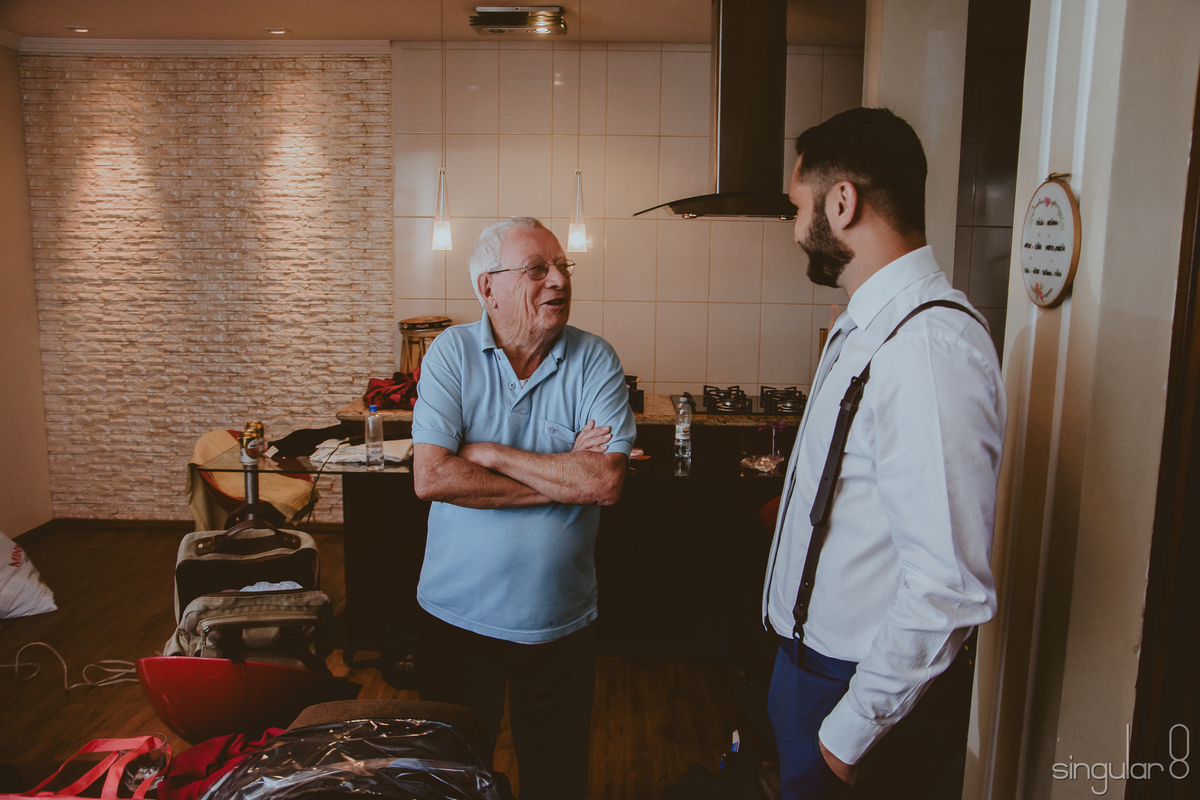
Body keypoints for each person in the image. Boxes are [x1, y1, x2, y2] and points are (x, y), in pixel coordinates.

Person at [760, 107, 1007, 798]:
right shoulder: (868, 326)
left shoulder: (928, 350)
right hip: (807, 669)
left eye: (797, 205)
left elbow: (949, 586)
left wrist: (846, 736)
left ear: (842, 203)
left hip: (851, 690)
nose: (792, 226)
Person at [411, 216, 636, 800]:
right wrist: (564, 474)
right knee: (449, 777)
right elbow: (432, 475)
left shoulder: (595, 360)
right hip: (456, 616)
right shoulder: (449, 354)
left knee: (557, 780)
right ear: (488, 287)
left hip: (558, 620)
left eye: (562, 267)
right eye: (538, 269)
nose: (559, 280)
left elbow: (606, 482)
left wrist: (487, 454)